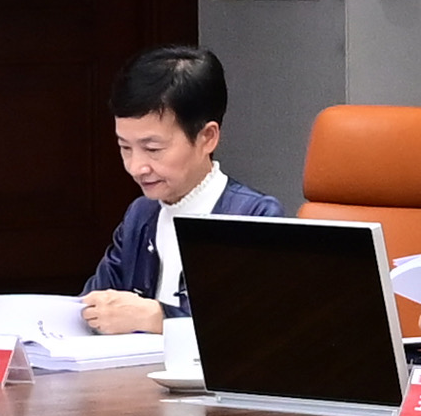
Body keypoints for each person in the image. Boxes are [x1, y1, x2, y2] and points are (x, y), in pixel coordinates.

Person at [77, 43, 286, 334]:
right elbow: (89, 306)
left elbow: (255, 329)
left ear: (207, 138)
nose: (136, 167)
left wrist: (159, 318)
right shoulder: (141, 215)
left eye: (153, 149)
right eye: (125, 147)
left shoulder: (253, 217)